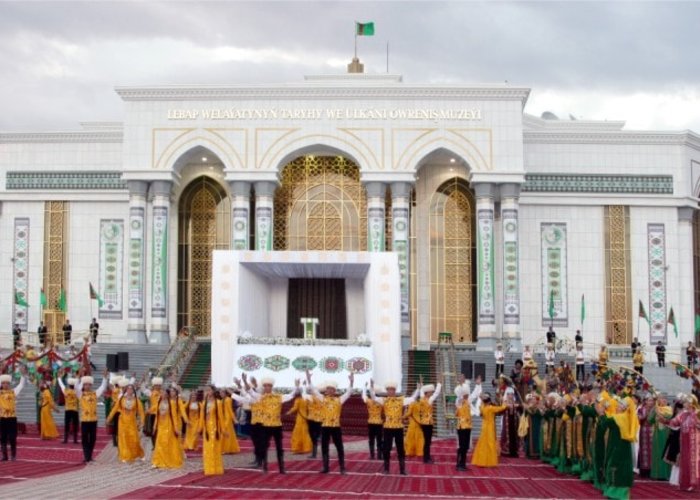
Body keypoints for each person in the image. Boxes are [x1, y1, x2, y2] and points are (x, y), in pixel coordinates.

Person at [239, 374, 300, 474]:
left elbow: (291, 395)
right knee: (264, 446)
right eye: (266, 386)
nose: (267, 387)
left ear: (272, 387)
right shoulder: (260, 397)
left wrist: (296, 386)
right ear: (264, 387)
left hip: (277, 425)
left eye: (269, 386)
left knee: (279, 447)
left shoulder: (278, 397)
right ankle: (265, 466)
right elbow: (250, 391)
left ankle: (281, 467)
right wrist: (245, 381)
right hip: (265, 426)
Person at [370, 379, 420, 475]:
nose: (391, 391)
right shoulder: (383, 400)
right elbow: (374, 397)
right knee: (386, 448)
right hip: (388, 427)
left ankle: (402, 469)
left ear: (395, 391)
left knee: (400, 448)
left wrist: (418, 389)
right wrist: (371, 387)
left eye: (392, 390)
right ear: (387, 391)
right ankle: (386, 469)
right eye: (389, 390)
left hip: (398, 427)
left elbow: (412, 399)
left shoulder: (401, 400)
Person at [308, 373, 354, 474]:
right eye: (328, 389)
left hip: (336, 427)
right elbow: (314, 391)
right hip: (325, 426)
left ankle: (342, 468)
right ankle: (325, 467)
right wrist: (309, 378)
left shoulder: (339, 400)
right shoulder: (322, 398)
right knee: (324, 447)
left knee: (339, 446)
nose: (329, 390)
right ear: (326, 390)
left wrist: (351, 381)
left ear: (334, 390)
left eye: (331, 389)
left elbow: (348, 393)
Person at [106, 381, 145, 463]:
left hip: (132, 422)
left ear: (133, 391)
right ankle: (125, 455)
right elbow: (114, 409)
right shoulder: (121, 400)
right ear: (126, 390)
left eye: (131, 389)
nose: (129, 391)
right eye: (128, 389)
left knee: (134, 439)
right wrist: (109, 418)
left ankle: (139, 454)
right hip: (122, 422)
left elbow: (141, 412)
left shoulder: (137, 400)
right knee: (123, 439)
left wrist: (142, 422)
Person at [667, 395, 700, 491]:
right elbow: (673, 422)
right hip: (684, 441)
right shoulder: (683, 414)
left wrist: (695, 418)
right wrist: (665, 419)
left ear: (691, 403)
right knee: (684, 460)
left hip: (694, 442)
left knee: (693, 461)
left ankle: (694, 484)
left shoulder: (697, 413)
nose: (684, 404)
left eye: (686, 402)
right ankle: (685, 483)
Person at [76, 372, 108, 463]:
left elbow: (102, 387)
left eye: (89, 384)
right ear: (83, 385)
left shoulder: (95, 394)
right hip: (85, 420)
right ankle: (87, 456)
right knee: (85, 438)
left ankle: (90, 456)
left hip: (94, 419)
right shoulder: (80, 394)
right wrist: (79, 377)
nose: (87, 386)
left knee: (93, 438)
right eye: (85, 384)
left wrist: (105, 378)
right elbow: (76, 387)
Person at [151, 388, 187, 469]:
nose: (162, 394)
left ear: (167, 395)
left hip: (169, 425)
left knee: (167, 442)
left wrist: (176, 428)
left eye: (164, 393)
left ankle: (168, 460)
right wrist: (154, 426)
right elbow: (157, 414)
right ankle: (157, 461)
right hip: (161, 425)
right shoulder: (159, 402)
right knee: (159, 442)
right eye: (161, 393)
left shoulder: (172, 403)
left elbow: (174, 416)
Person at [471, 392, 507, 467]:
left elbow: (481, 405)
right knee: (490, 443)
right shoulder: (490, 408)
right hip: (490, 427)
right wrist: (504, 401)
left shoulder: (482, 407)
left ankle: (481, 460)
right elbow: (502, 407)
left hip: (484, 427)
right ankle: (490, 461)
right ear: (489, 401)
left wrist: (481, 399)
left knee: (483, 443)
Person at [198, 387, 225, 475]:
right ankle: (209, 468)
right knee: (207, 448)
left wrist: (223, 429)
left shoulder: (218, 402)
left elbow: (221, 417)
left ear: (213, 392)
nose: (207, 392)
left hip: (215, 428)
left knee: (215, 447)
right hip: (207, 429)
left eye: (209, 390)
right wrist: (200, 429)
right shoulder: (204, 403)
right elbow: (202, 417)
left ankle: (216, 468)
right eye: (206, 390)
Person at [0, 369, 26, 461]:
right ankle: (4, 456)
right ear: (1, 384)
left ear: (9, 384)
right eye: (3, 383)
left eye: (7, 383)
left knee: (12, 437)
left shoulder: (13, 392)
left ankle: (13, 455)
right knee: (2, 437)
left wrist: (22, 376)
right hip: (2, 417)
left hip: (12, 417)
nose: (5, 385)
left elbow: (21, 385)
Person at [417, 377, 442, 464]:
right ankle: (426, 458)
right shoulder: (429, 400)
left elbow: (421, 392)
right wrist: (439, 383)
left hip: (424, 422)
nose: (431, 393)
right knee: (427, 441)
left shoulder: (421, 398)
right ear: (427, 393)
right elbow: (437, 393)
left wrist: (421, 384)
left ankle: (426, 457)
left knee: (427, 441)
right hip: (428, 423)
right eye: (430, 392)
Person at [648, 394, 672, 481]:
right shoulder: (656, 409)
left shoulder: (669, 409)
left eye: (664, 399)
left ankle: (664, 474)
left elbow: (668, 418)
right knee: (656, 453)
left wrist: (659, 413)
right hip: (656, 433)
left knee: (664, 452)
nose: (663, 400)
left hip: (665, 433)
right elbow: (650, 420)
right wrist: (654, 411)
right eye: (661, 399)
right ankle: (655, 474)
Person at [454, 377, 475, 471]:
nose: (467, 394)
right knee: (462, 446)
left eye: (467, 393)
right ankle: (459, 464)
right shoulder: (459, 401)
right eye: (466, 393)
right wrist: (461, 384)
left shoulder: (468, 402)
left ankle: (462, 463)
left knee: (465, 446)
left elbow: (474, 395)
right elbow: (459, 395)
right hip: (461, 426)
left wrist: (478, 385)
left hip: (468, 426)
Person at [362, 383, 384, 460]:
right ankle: (379, 455)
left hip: (371, 422)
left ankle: (372, 455)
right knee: (379, 439)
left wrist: (364, 388)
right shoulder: (381, 401)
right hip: (378, 423)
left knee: (372, 439)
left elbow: (363, 396)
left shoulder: (369, 401)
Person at [286, 390, 312, 455]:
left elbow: (295, 408)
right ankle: (306, 448)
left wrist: (288, 412)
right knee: (305, 433)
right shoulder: (307, 399)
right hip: (305, 417)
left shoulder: (298, 400)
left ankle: (297, 448)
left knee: (297, 433)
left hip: (300, 418)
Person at [142, 375, 164, 448]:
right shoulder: (150, 393)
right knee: (152, 430)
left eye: (159, 385)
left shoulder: (163, 393)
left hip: (161, 413)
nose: (157, 387)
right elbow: (143, 389)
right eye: (156, 385)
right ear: (154, 386)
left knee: (160, 429)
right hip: (153, 414)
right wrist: (145, 380)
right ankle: (154, 444)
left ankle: (159, 444)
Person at [57, 375, 79, 443]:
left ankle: (65, 439)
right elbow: (78, 384)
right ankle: (75, 440)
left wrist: (59, 378)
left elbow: (61, 385)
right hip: (75, 409)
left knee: (67, 424)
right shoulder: (77, 391)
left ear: (69, 385)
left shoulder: (66, 390)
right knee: (75, 424)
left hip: (68, 409)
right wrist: (78, 378)